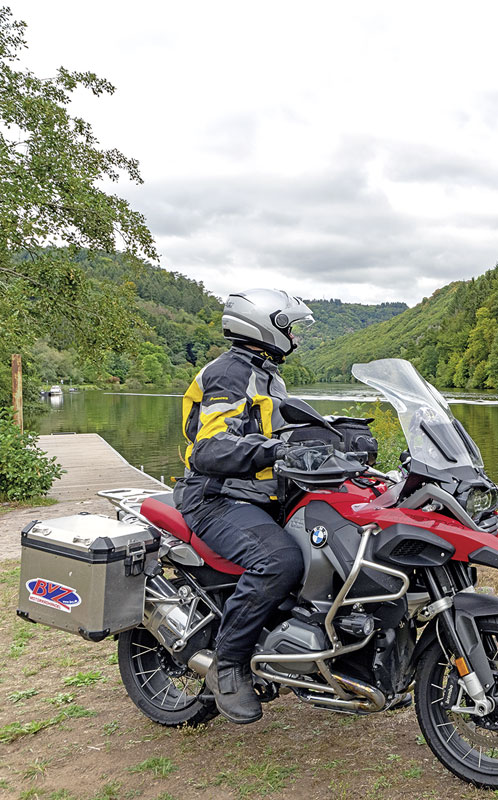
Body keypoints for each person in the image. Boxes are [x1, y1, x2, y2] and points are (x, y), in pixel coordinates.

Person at [173, 288, 314, 723]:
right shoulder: (228, 374)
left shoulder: (265, 375)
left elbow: (290, 429)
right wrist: (272, 452)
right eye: (289, 326)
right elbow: (211, 448)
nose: (294, 335)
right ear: (264, 325)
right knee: (279, 560)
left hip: (257, 497)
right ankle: (228, 665)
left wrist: (344, 438)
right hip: (215, 496)